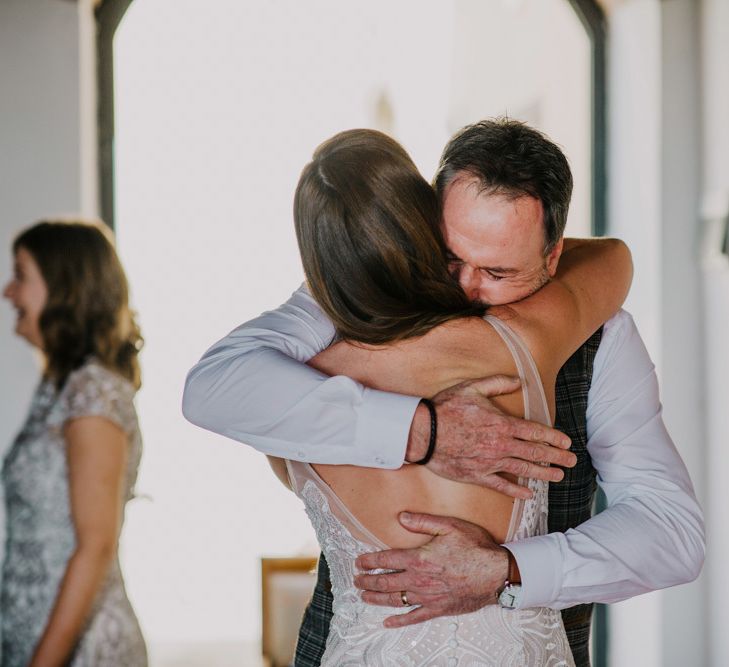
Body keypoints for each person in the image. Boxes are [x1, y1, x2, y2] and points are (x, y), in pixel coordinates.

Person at [182, 120, 704, 666]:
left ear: (554, 258)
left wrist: (511, 569)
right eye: (449, 258)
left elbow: (671, 531)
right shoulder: (318, 326)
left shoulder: (602, 335)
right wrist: (422, 431)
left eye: (499, 272)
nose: (465, 289)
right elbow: (211, 386)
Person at [263, 127, 631, 664]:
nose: (468, 285)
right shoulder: (519, 343)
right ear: (422, 229)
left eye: (496, 268)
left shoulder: (288, 397)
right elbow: (614, 260)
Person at [2, 220, 147, 666]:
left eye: (22, 275)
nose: (8, 291)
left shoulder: (92, 392)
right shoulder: (61, 387)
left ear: (64, 287)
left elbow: (96, 545)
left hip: (80, 650)